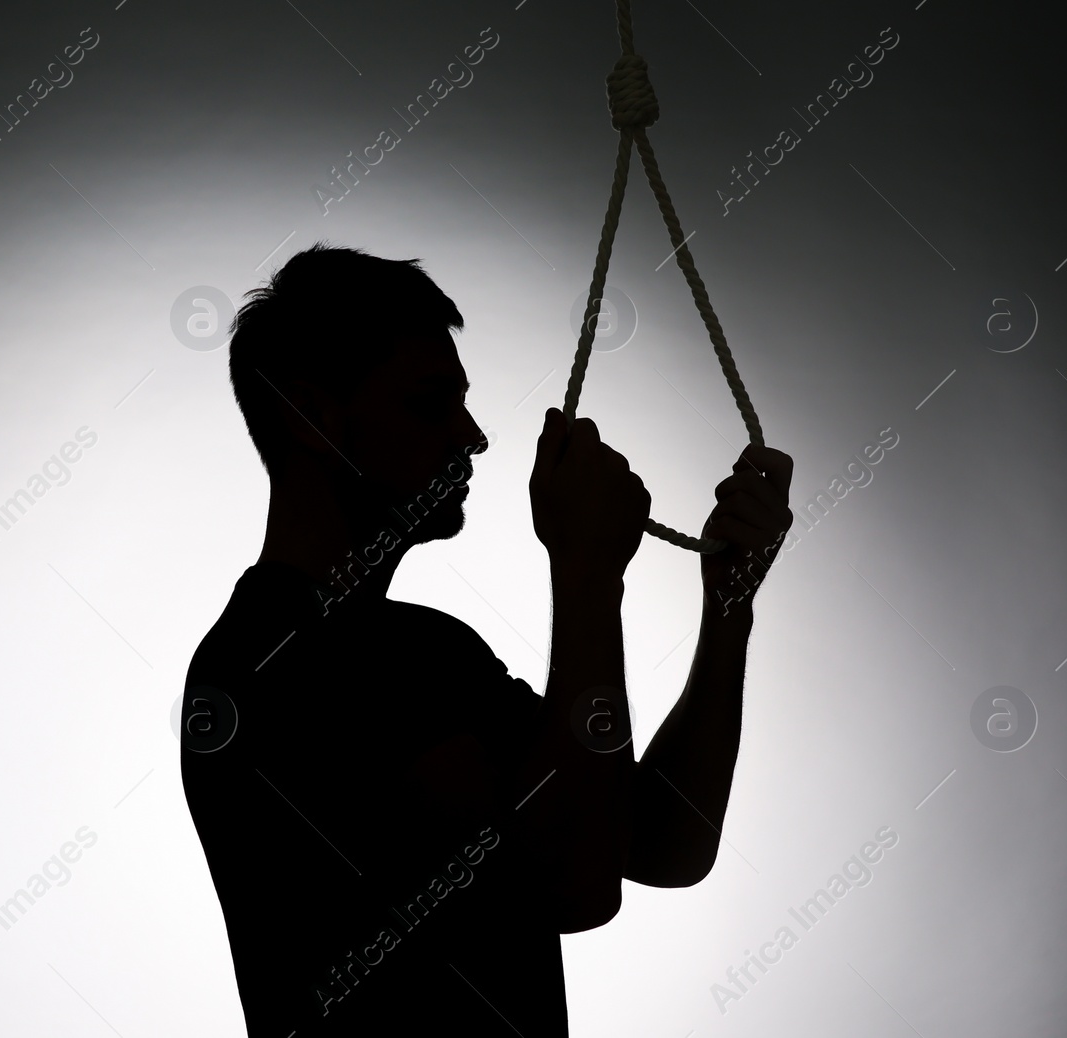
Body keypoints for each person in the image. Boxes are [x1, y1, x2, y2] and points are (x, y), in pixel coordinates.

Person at [181, 243, 792, 1037]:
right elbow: (575, 883)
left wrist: (729, 607)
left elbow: (666, 842)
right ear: (310, 416)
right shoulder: (279, 658)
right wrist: (585, 575)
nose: (474, 437)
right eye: (431, 403)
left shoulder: (422, 647)